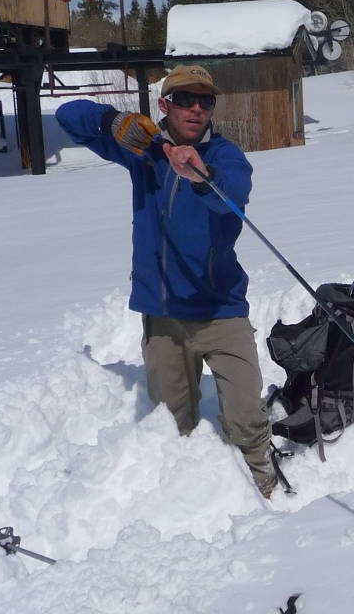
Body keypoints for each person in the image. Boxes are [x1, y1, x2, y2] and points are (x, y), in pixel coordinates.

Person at [56, 64, 278, 496]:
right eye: (184, 100)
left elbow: (231, 195)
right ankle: (184, 500)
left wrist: (202, 178)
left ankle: (263, 486)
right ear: (164, 105)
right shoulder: (141, 149)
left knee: (247, 417)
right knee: (172, 424)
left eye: (205, 101)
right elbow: (68, 116)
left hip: (220, 312)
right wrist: (115, 122)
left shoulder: (225, 157)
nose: (196, 109)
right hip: (163, 317)